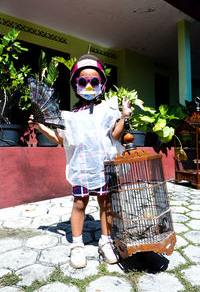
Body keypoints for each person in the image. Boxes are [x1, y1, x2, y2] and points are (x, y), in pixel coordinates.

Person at [29, 54, 132, 269]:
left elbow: (114, 135)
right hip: (82, 169)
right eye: (83, 82)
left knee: (106, 204)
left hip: (103, 167)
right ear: (75, 86)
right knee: (79, 204)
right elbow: (60, 139)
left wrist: (124, 116)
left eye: (94, 82)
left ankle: (105, 241)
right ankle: (77, 245)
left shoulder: (106, 110)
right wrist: (41, 128)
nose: (88, 86)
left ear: (102, 85)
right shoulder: (71, 117)